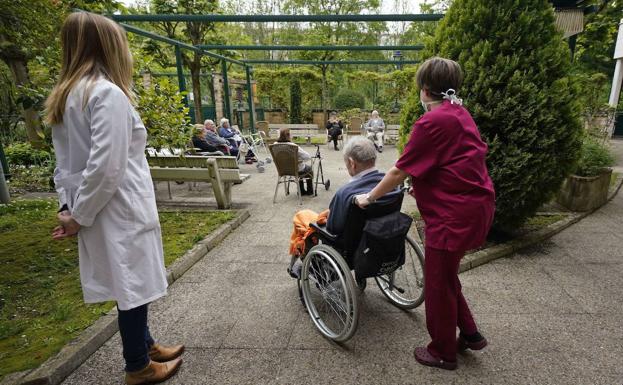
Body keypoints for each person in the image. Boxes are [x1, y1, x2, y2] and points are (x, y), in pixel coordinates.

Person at [45, 12, 183, 385]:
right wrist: (79, 215)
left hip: (97, 207)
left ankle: (147, 344)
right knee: (132, 283)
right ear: (110, 47)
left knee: (128, 281)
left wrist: (68, 207)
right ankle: (138, 364)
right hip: (117, 207)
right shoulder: (107, 95)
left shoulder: (68, 95)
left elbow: (65, 164)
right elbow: (106, 166)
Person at [355, 57, 495, 371]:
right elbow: (453, 163)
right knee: (446, 278)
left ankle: (443, 352)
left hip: (452, 217)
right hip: (474, 208)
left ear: (423, 89)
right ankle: (470, 334)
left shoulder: (432, 121)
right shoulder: (459, 113)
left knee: (436, 284)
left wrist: (368, 198)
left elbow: (397, 171)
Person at [288, 137, 400, 271]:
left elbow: (332, 228)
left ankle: (307, 263)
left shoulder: (345, 193)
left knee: (302, 216)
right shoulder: (391, 186)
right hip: (381, 241)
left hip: (349, 248)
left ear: (352, 163)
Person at [276, 128, 314, 195]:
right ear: (288, 136)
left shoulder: (274, 145)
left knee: (300, 169)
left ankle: (301, 191)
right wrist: (299, 159)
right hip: (295, 169)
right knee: (308, 169)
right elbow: (307, 156)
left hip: (282, 169)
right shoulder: (292, 146)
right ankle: (309, 191)